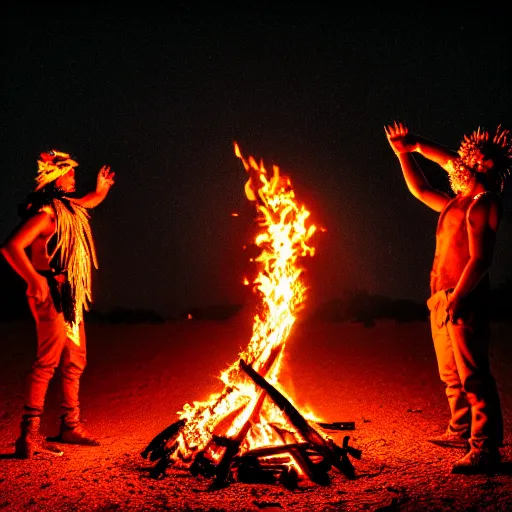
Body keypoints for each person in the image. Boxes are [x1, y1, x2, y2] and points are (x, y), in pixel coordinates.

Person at [384, 121, 511, 475]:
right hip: (441, 297)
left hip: (464, 297)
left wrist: (457, 298)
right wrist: (405, 152)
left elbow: (481, 259)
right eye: (471, 157)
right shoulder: (455, 202)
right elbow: (421, 188)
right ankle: (460, 429)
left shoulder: (485, 203)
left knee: (473, 374)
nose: (467, 162)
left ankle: (486, 448)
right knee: (450, 373)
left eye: (478, 159)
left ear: (489, 167)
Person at [1, 149, 115, 458]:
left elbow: (88, 200)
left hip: (70, 297)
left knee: (75, 361)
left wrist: (100, 190)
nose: (73, 175)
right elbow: (11, 247)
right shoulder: (46, 213)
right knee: (47, 362)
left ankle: (70, 426)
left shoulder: (67, 207)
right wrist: (34, 280)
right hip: (50, 294)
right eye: (68, 172)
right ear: (54, 178)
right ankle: (28, 435)